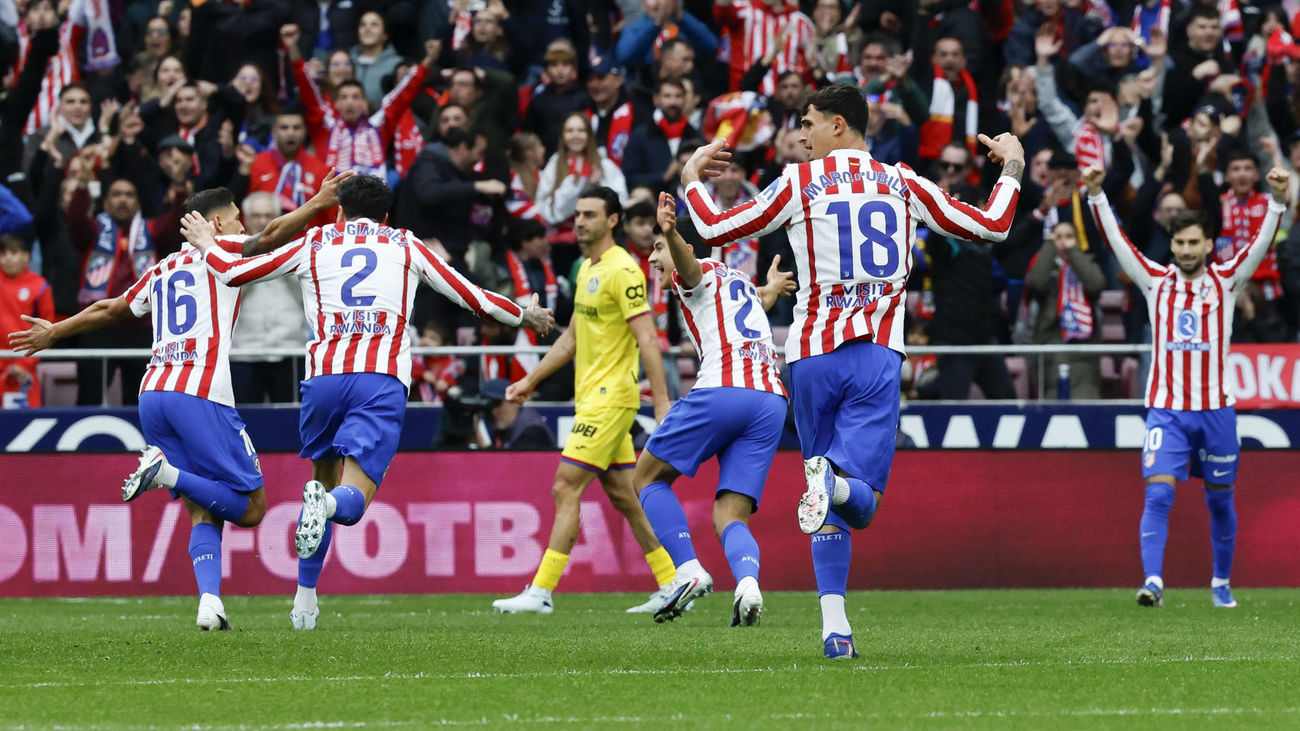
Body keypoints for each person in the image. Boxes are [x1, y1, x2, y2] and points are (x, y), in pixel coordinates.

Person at [682, 84, 1024, 658]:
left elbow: (714, 231)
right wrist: (1011, 165)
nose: (800, 134)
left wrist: (693, 177)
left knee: (827, 499)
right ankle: (833, 487)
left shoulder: (797, 182)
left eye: (809, 123)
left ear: (840, 125)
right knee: (855, 499)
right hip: (875, 358)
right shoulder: (903, 181)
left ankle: (834, 629)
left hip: (811, 358)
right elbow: (992, 226)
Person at [183, 175, 554, 631]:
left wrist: (206, 242)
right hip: (378, 381)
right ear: (386, 216)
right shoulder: (405, 245)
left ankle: (304, 602)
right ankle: (324, 529)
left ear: (338, 211)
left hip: (322, 382)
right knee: (349, 497)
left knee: (319, 481)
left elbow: (234, 271)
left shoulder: (315, 240)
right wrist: (525, 314)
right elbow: (470, 296)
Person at [8, 180, 348, 630]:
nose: (244, 225)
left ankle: (210, 603)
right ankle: (163, 473)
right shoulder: (223, 247)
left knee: (203, 505)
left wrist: (54, 331)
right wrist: (319, 203)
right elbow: (269, 238)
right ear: (217, 223)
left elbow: (110, 309)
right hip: (200, 393)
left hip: (153, 395)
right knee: (251, 508)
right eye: (237, 217)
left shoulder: (163, 269)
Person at [1084, 163, 1289, 609]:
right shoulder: (1156, 282)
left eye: (1194, 242)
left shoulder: (1227, 280)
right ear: (1172, 245)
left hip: (1217, 410)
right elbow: (1118, 243)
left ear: (1209, 245)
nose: (1187, 249)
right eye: (1180, 242)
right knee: (1158, 491)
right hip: (1167, 410)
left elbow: (1257, 247)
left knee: (1219, 503)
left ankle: (1220, 584)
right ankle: (1153, 583)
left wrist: (1276, 200)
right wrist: (1097, 195)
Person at [491, 186, 675, 616]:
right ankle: (675, 577)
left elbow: (647, 337)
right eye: (577, 214)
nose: (579, 221)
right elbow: (572, 339)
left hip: (612, 399)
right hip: (593, 396)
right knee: (626, 495)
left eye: (590, 214)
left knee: (565, 486)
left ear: (612, 221)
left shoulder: (623, 270)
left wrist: (662, 402)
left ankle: (541, 591)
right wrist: (529, 381)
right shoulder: (585, 269)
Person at [636, 192, 794, 625]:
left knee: (646, 477)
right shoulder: (735, 279)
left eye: (657, 248)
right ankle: (747, 584)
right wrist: (773, 291)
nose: (652, 258)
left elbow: (688, 270)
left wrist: (671, 232)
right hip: (770, 401)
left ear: (684, 248)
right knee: (730, 513)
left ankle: (687, 571)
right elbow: (750, 304)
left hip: (724, 389)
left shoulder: (695, 272)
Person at [0, 235, 55, 407]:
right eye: (3, 253)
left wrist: (26, 363)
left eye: (14, 252)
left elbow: (49, 331)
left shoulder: (40, 286)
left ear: (26, 256)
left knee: (22, 423)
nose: (8, 258)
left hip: (24, 370)